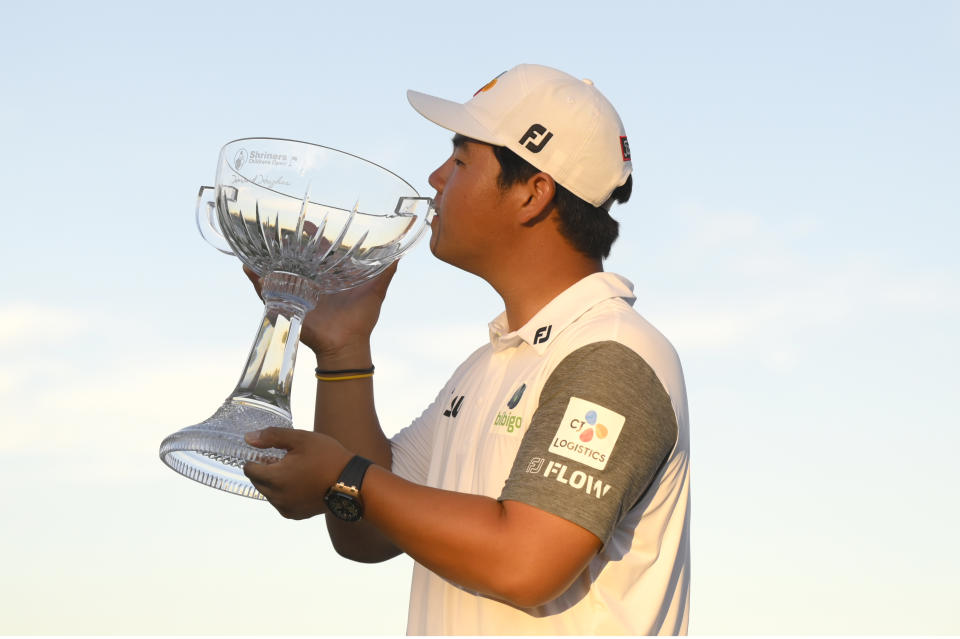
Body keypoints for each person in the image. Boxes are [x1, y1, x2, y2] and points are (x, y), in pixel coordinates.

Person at [242, 63, 691, 635]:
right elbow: (365, 529)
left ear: (533, 193)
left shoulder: (614, 352)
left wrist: (344, 476)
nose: (435, 178)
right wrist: (343, 350)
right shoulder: (484, 369)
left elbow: (527, 560)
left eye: (459, 160)